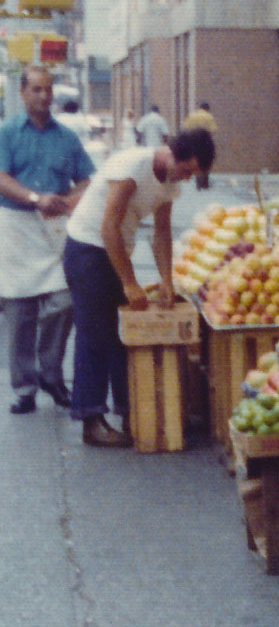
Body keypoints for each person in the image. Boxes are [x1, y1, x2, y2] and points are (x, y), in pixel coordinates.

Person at [63, 128, 215, 447]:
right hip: (87, 249)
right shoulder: (132, 166)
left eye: (192, 175)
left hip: (115, 251)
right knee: (94, 334)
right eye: (186, 170)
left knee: (123, 335)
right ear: (174, 153)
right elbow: (109, 228)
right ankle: (90, 420)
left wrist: (167, 281)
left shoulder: (170, 184)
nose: (186, 179)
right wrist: (130, 283)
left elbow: (161, 234)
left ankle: (131, 413)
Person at [0, 66, 95, 415]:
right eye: (37, 89)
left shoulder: (67, 139)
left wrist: (67, 201)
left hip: (53, 230)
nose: (44, 96)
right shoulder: (7, 133)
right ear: (23, 92)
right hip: (15, 226)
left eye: (48, 89)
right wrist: (34, 198)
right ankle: (24, 388)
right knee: (19, 312)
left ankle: (51, 374)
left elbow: (88, 179)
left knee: (65, 299)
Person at [181, 102, 217, 189]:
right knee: (206, 161)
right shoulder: (209, 117)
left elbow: (185, 128)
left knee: (196, 161)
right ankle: (205, 183)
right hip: (205, 142)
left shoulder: (192, 116)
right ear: (207, 109)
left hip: (194, 142)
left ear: (199, 108)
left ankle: (198, 182)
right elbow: (213, 130)